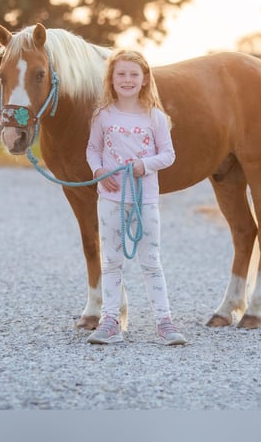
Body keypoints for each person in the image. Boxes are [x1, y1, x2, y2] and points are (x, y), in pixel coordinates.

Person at [85, 49, 186, 346]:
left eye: (133, 74)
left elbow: (168, 155)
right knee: (112, 261)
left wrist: (145, 165)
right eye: (121, 74)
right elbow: (92, 148)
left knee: (151, 261)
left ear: (144, 80)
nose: (127, 80)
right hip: (111, 198)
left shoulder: (155, 116)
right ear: (112, 79)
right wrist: (99, 169)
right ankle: (110, 320)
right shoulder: (102, 115)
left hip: (145, 199)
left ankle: (164, 321)